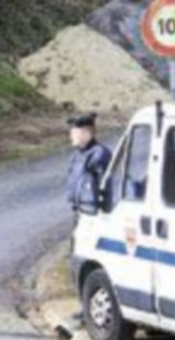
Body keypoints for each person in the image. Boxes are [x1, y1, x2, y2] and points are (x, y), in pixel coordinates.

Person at [65, 113, 111, 325]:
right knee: (76, 261)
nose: (70, 135)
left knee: (88, 262)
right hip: (80, 213)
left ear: (85, 132)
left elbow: (104, 186)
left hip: (93, 215)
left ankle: (89, 311)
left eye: (74, 130)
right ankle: (84, 307)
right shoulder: (79, 154)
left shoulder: (99, 154)